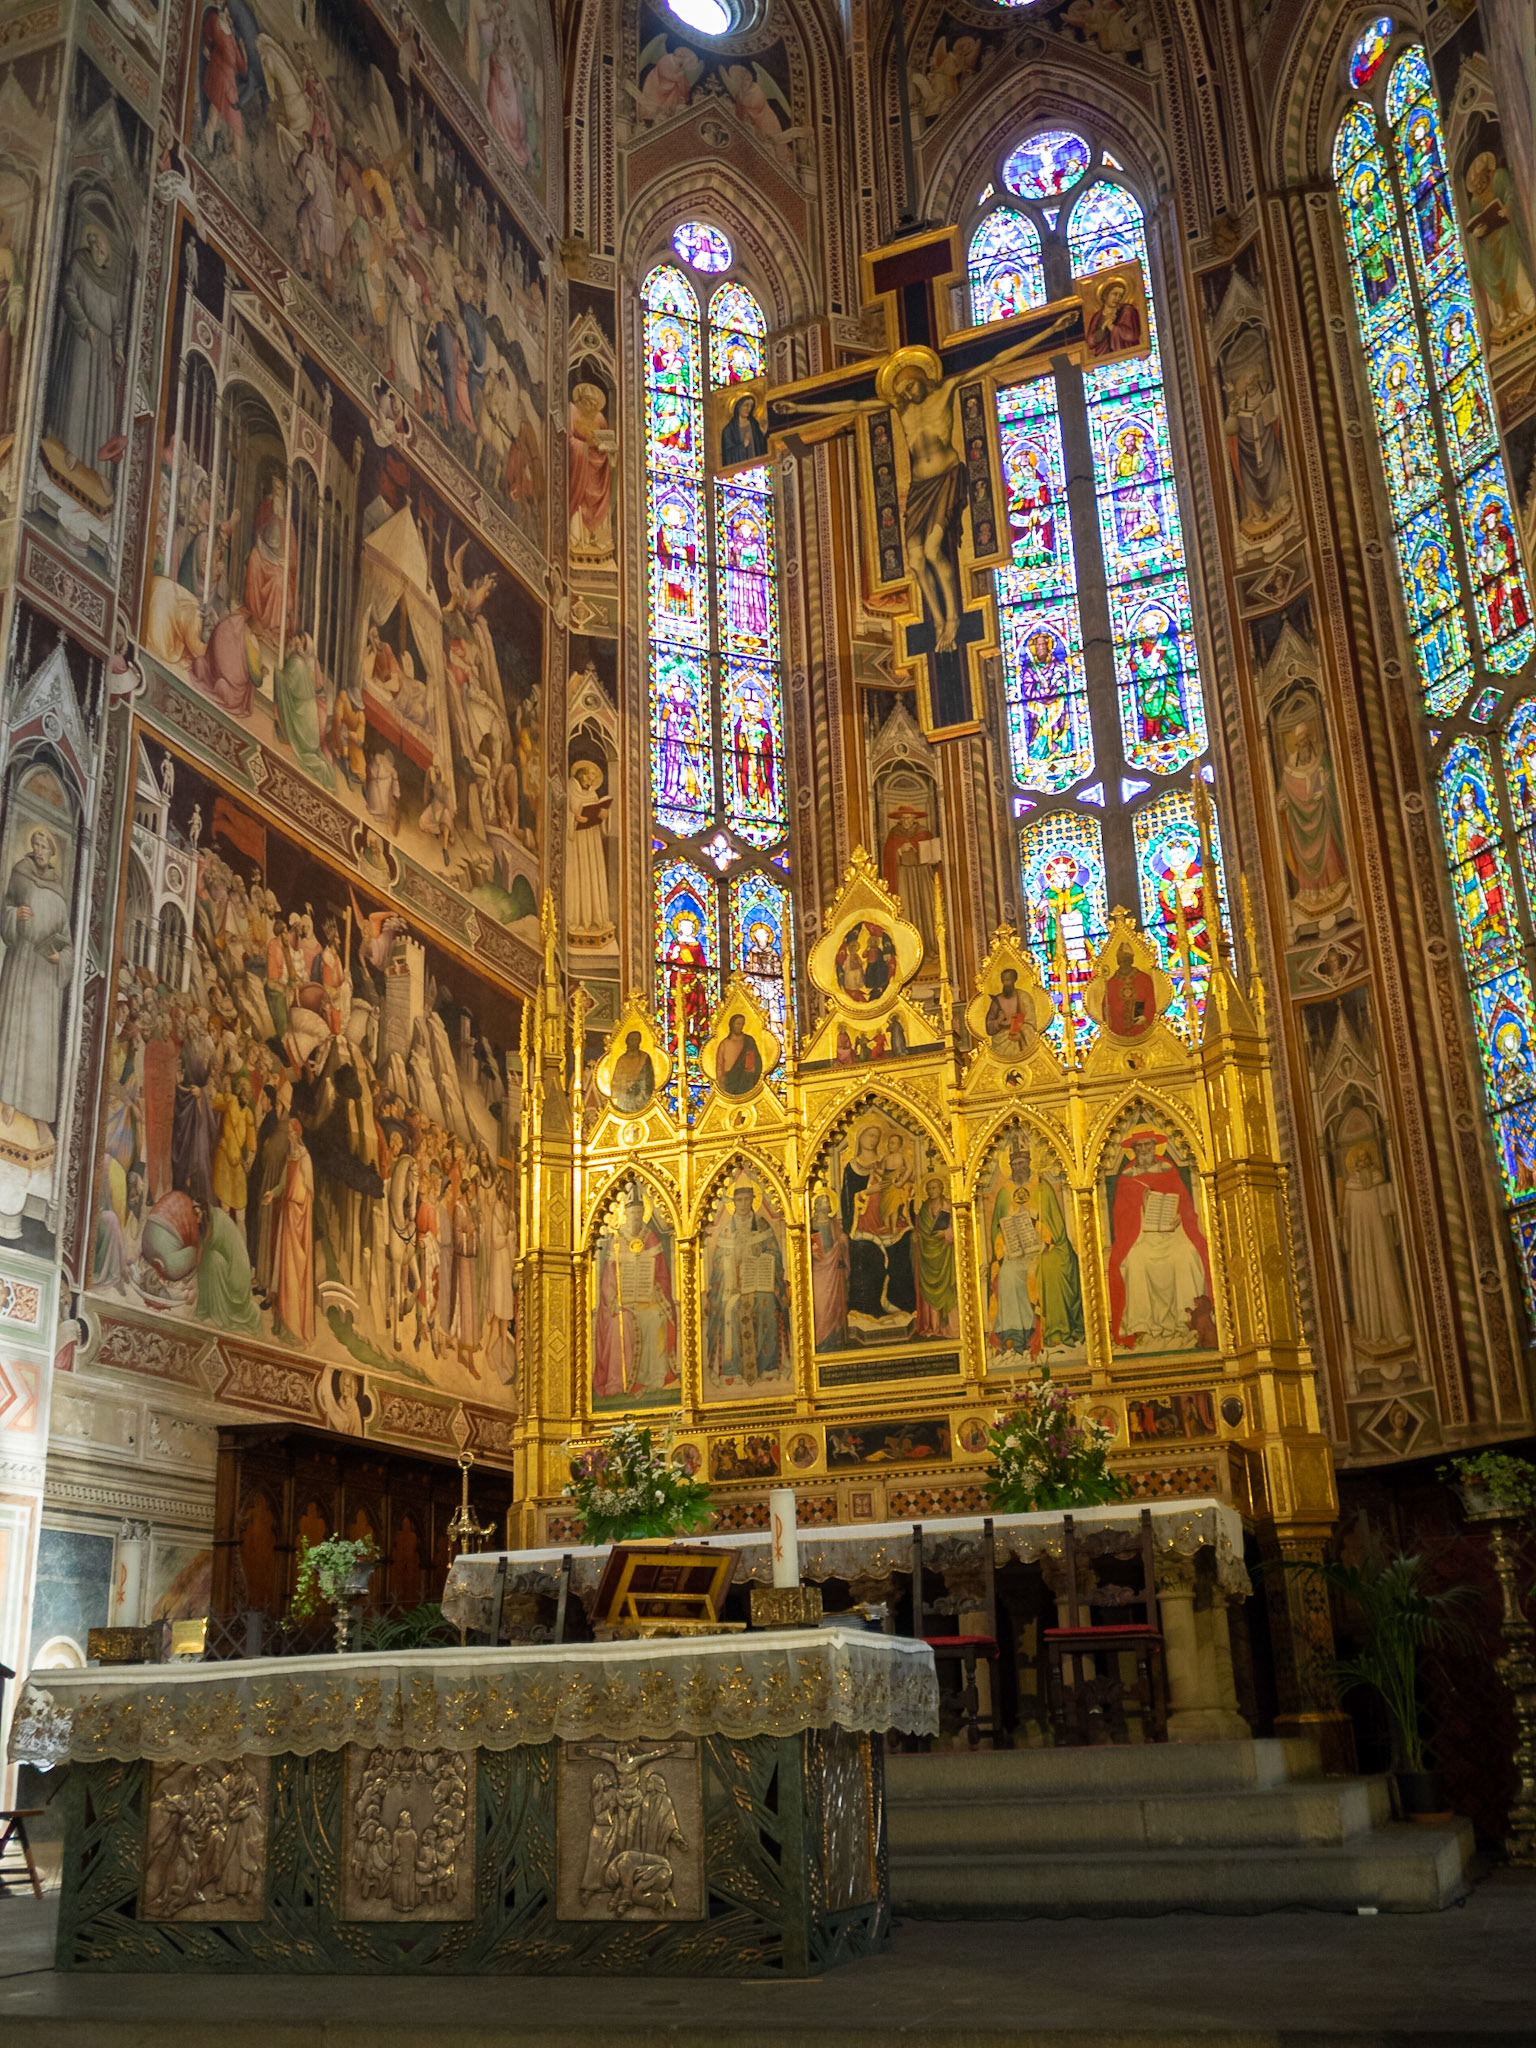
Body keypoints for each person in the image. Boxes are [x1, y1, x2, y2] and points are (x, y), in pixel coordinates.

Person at [1106, 1130, 1211, 1349]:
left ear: (1155, 1146)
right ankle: (1142, 1326)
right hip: (1141, 1236)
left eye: (1148, 1145)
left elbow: (1185, 1206)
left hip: (1173, 1232)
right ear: (1133, 1150)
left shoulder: (1168, 1171)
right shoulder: (1127, 1178)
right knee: (1136, 1262)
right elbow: (1121, 1216)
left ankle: (1186, 1322)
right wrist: (1139, 1205)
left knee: (1187, 1256)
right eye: (1139, 1146)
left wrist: (1179, 1218)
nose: (1144, 1150)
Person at [0, 828, 73, 1125]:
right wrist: (15, 915)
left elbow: (67, 941)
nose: (40, 851)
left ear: (52, 852)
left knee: (40, 1038)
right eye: (36, 845)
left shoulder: (59, 890)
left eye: (45, 846)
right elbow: (4, 909)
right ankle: (7, 1099)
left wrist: (61, 958)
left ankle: (36, 1112)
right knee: (15, 1029)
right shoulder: (21, 873)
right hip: (22, 963)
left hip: (45, 975)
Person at [45, 221, 126, 485]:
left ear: (107, 254)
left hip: (103, 348)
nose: (97, 249)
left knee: (102, 406)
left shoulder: (113, 286)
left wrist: (118, 349)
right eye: (95, 244)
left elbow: (119, 325)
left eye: (102, 247)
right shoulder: (79, 263)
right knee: (78, 393)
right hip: (83, 337)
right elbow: (68, 293)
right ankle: (72, 450)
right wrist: (83, 324)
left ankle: (100, 468)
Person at [809, 1187, 849, 1351]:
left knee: (833, 1307)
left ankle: (832, 1341)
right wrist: (810, 1252)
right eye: (822, 1201)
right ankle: (819, 1340)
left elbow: (842, 1246)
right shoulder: (810, 1224)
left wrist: (843, 1241)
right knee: (820, 1306)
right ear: (816, 1205)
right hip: (817, 1271)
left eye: (827, 1201)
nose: (825, 1205)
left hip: (833, 1270)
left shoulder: (833, 1224)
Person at [1087, 273, 1142, 357]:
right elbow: (1090, 342)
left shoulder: (1127, 310)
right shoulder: (1097, 316)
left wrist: (1113, 327)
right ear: (1106, 295)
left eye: (1120, 296)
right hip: (1103, 358)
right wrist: (1102, 328)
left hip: (1126, 354)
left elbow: (1132, 335)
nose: (1117, 298)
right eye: (1115, 294)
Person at [714, 1013, 763, 1099]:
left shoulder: (749, 1041)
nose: (740, 1027)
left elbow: (756, 1060)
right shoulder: (724, 1043)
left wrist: (752, 1071)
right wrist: (721, 1082)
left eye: (742, 1024)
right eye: (737, 1024)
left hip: (746, 1080)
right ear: (732, 1025)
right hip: (730, 1081)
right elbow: (720, 1065)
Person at [609, 1031, 656, 1115]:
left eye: (636, 1039)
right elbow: (616, 1080)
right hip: (624, 1097)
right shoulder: (622, 1059)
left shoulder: (644, 1057)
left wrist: (642, 1093)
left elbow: (648, 1079)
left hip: (641, 1096)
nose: (634, 1042)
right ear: (627, 1041)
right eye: (631, 1039)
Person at [720, 390, 767, 468]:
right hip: (739, 470)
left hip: (757, 467)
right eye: (746, 405)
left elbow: (763, 450)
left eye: (751, 406)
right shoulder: (728, 430)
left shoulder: (754, 424)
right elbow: (727, 455)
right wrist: (743, 445)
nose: (749, 408)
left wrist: (763, 434)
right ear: (738, 406)